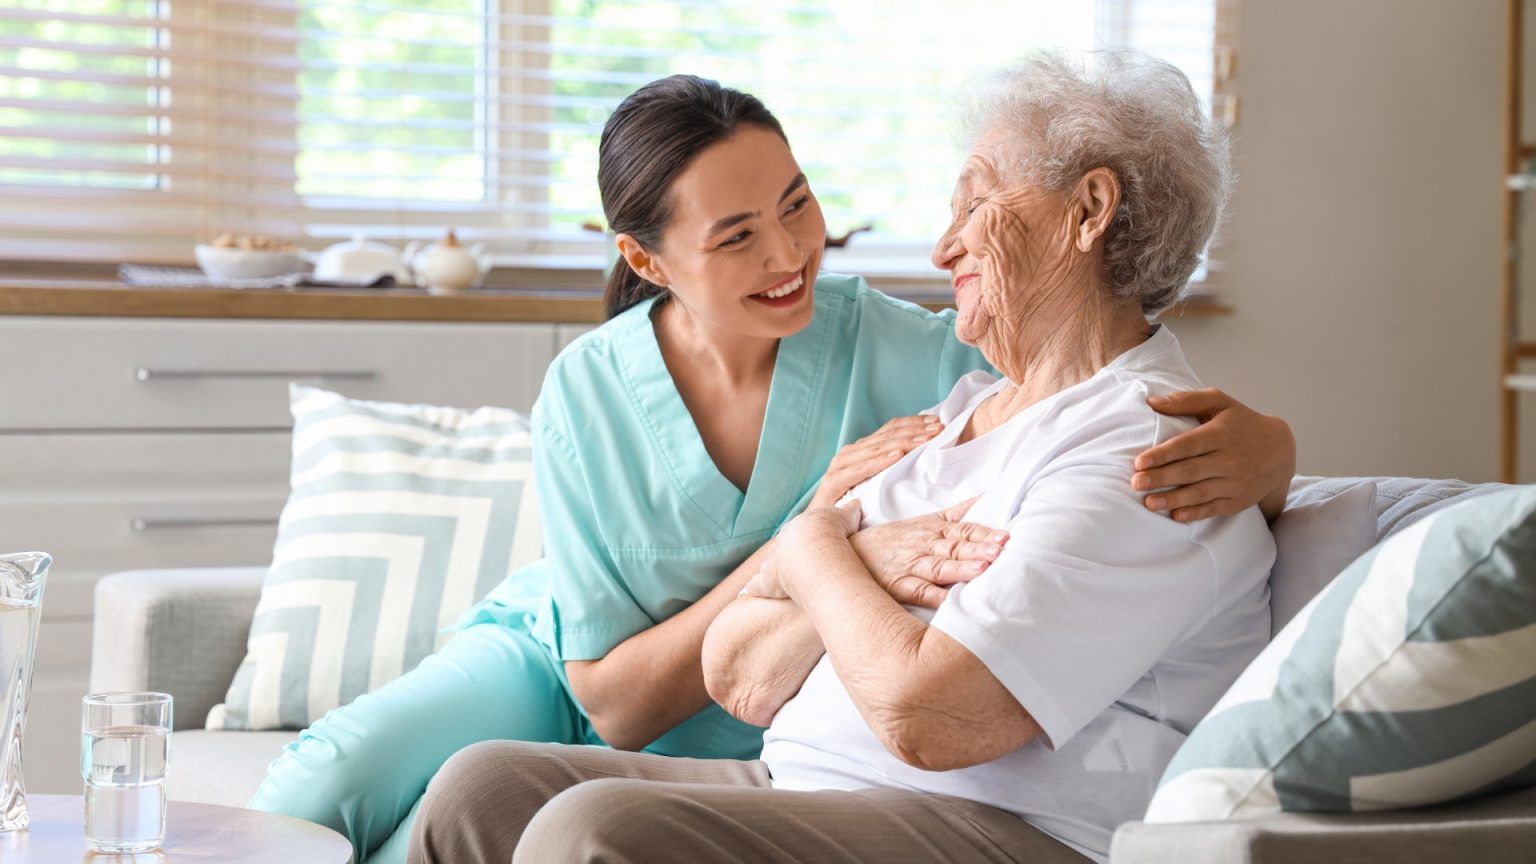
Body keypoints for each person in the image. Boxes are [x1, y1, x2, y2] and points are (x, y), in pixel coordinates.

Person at [254, 68, 1295, 864]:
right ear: (651, 264)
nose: (940, 248)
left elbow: (926, 715)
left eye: (975, 202)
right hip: (642, 683)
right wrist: (840, 557)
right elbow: (740, 673)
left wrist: (816, 547)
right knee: (474, 784)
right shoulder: (966, 407)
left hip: (989, 817)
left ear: (1089, 210)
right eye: (737, 234)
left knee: (592, 826)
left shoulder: (1125, 440)